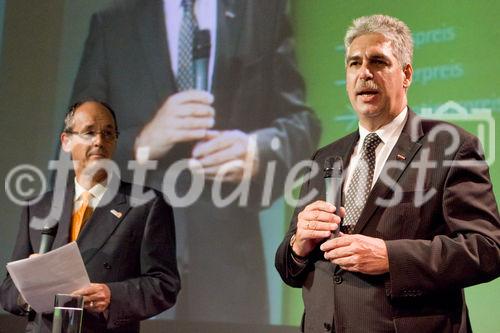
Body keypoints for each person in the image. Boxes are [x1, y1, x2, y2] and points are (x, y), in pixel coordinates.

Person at [71, 0, 320, 323]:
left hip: (229, 273)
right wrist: (142, 141)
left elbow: (301, 123)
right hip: (129, 267)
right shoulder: (113, 24)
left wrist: (257, 149)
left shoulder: (261, 14)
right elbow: (76, 141)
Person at [275, 14, 500, 333]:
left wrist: (390, 256)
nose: (364, 73)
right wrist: (299, 245)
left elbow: (486, 250)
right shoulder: (324, 158)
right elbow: (288, 268)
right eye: (354, 63)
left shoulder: (450, 148)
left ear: (406, 74)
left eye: (378, 61)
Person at [0, 101, 180, 333]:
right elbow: (7, 291)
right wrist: (28, 291)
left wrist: (112, 295)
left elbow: (164, 284)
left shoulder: (145, 204)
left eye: (108, 133)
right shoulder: (38, 206)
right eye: (89, 132)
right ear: (66, 141)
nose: (99, 141)